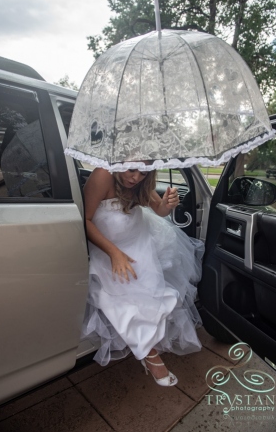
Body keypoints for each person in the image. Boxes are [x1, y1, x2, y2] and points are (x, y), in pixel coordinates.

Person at [81, 166, 205, 387]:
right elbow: (85, 220)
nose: (136, 177)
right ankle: (150, 355)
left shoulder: (141, 182)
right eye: (131, 169)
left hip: (140, 245)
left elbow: (159, 210)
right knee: (124, 304)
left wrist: (167, 204)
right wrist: (114, 253)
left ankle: (149, 347)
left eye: (144, 172)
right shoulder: (102, 175)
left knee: (154, 298)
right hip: (109, 251)